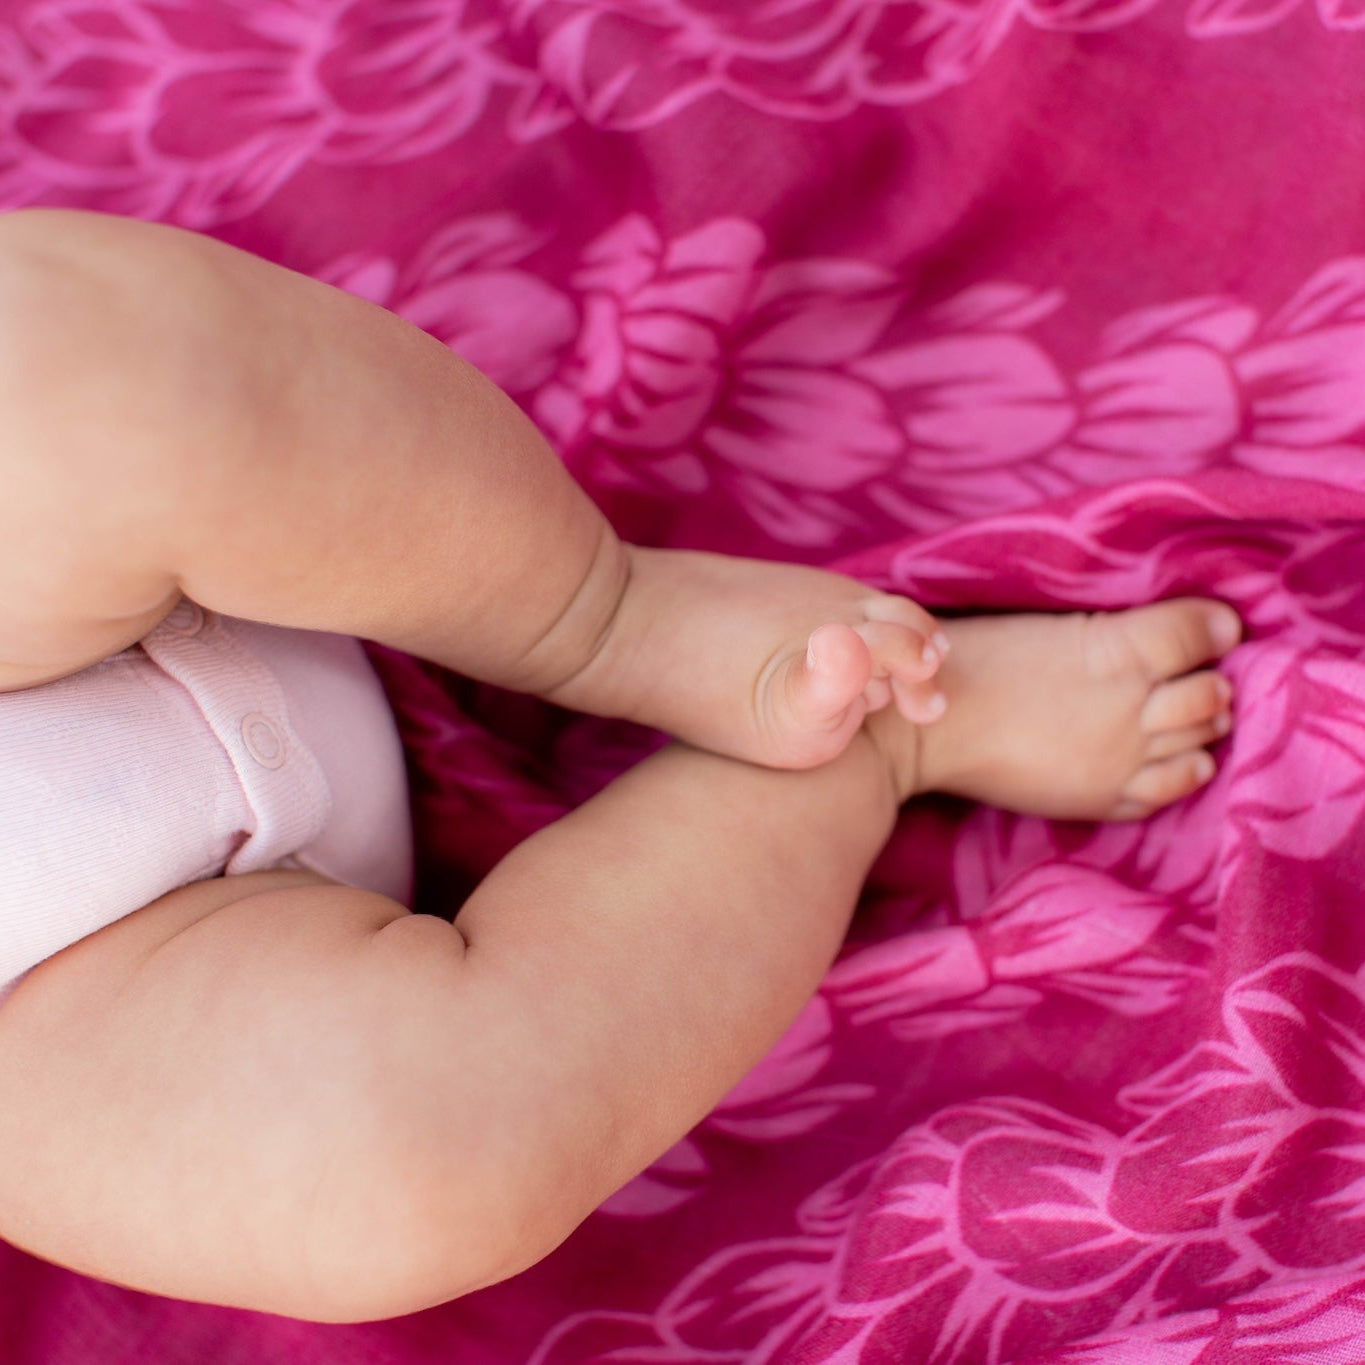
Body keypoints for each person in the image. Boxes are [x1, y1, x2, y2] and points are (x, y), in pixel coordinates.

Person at [0, 209, 1240, 1322]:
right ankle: (882, 743)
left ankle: (605, 618)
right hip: (80, 1012)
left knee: (70, 373)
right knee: (399, 1176)